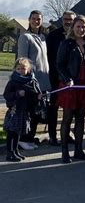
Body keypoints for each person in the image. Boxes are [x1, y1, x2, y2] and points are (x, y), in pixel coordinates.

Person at [56, 15, 85, 163]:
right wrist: (68, 79)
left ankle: (78, 150)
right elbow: (59, 65)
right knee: (67, 118)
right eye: (78, 26)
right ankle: (64, 151)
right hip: (70, 86)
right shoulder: (66, 44)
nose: (81, 29)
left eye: (84, 27)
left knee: (81, 119)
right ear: (73, 28)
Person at [17, 10, 51, 149]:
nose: (36, 21)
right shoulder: (25, 37)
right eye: (34, 18)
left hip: (44, 80)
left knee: (37, 111)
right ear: (29, 20)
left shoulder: (42, 37)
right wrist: (26, 79)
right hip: (32, 80)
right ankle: (24, 139)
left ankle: (30, 138)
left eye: (39, 19)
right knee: (30, 112)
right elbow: (23, 60)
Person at [3, 58, 42, 161]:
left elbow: (33, 95)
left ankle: (15, 151)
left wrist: (37, 97)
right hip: (15, 110)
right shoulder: (13, 82)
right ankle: (9, 153)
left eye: (23, 68)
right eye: (18, 68)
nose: (21, 70)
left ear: (28, 69)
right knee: (12, 132)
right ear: (15, 69)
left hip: (25, 111)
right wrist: (17, 94)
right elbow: (6, 95)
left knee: (18, 133)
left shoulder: (31, 81)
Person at [46, 11, 76, 145]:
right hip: (55, 77)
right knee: (53, 107)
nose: (68, 21)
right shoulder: (53, 35)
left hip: (71, 78)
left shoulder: (77, 35)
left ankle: (67, 134)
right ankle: (52, 135)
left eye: (70, 19)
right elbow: (49, 56)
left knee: (70, 108)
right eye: (65, 19)